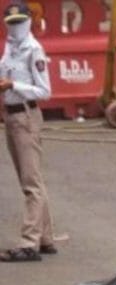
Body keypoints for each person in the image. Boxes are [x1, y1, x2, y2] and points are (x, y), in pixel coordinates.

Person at [0, 2, 53, 263]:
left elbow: (44, 91)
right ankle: (45, 237)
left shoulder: (34, 51)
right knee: (30, 179)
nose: (15, 28)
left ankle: (29, 242)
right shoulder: (10, 48)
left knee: (31, 183)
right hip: (11, 115)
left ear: (28, 21)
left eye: (19, 22)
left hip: (26, 115)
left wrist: (14, 85)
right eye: (11, 23)